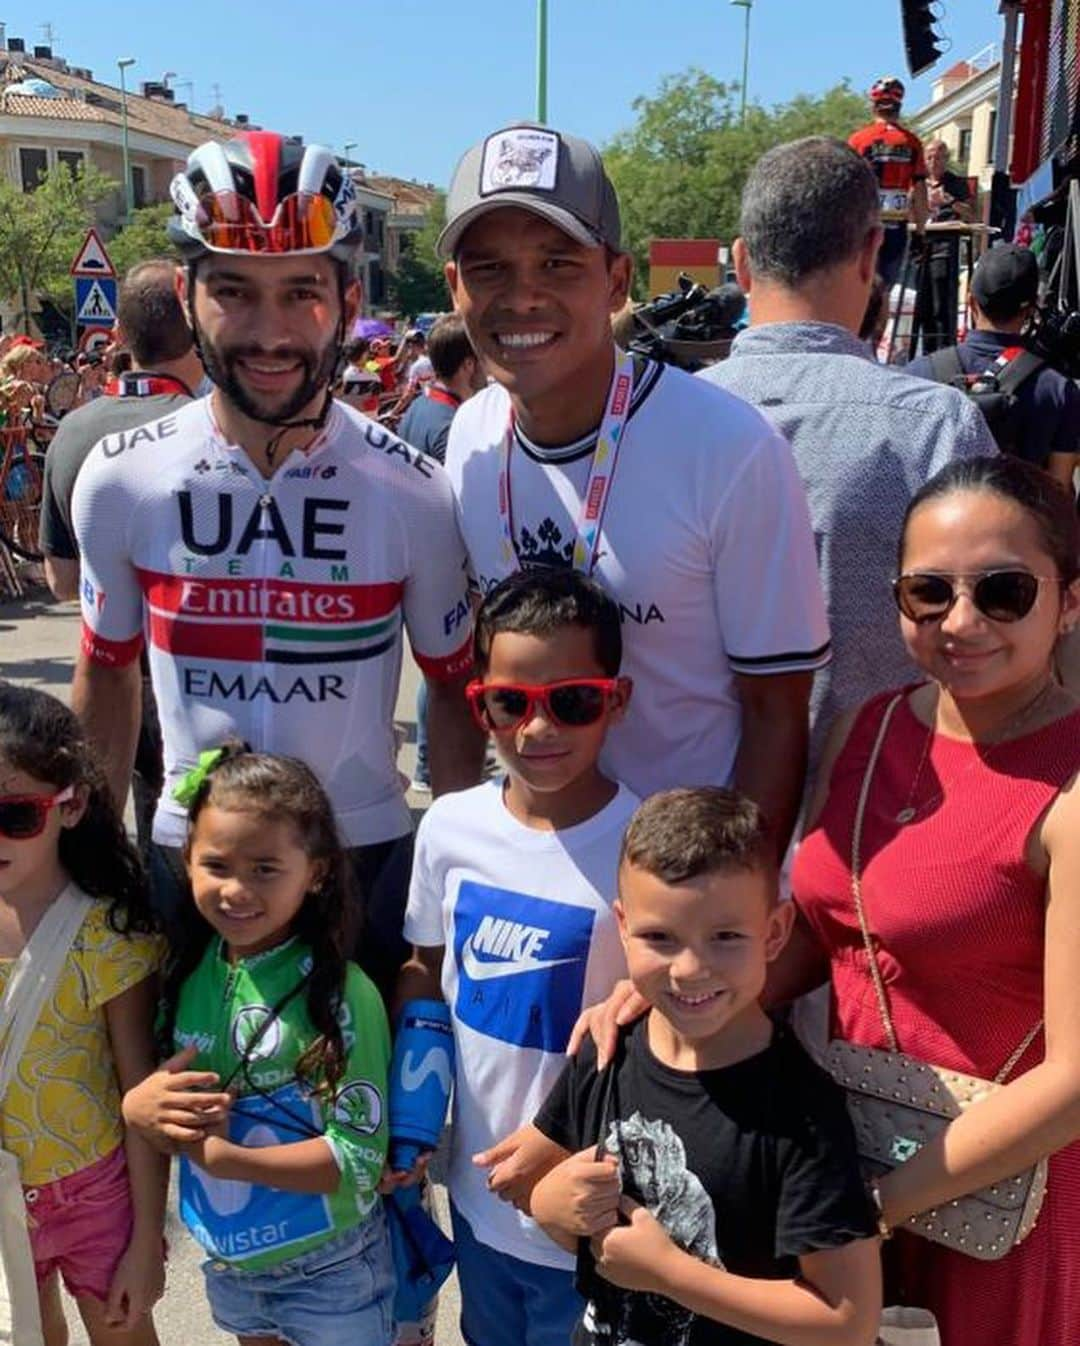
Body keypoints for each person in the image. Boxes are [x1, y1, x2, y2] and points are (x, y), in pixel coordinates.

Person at [70, 133, 482, 994]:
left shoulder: (417, 492)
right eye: (232, 291)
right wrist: (87, 867)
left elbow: (451, 692)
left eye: (301, 292)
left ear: (347, 297)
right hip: (192, 863)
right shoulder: (121, 479)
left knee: (358, 1128)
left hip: (360, 862)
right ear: (187, 295)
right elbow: (107, 677)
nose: (269, 332)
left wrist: (454, 886)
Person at [441, 121, 830, 855]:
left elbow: (778, 712)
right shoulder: (468, 439)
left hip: (682, 894)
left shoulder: (731, 448)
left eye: (557, 264)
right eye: (489, 269)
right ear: (454, 287)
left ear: (616, 280)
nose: (522, 297)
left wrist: (720, 915)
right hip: (536, 873)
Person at [784, 456, 1080, 1345]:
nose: (963, 621)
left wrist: (874, 1205)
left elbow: (1073, 1084)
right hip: (852, 1161)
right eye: (928, 591)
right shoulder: (863, 730)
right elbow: (831, 936)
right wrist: (675, 976)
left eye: (1003, 592)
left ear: (1069, 601)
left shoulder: (1070, 790)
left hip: (996, 1208)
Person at [526, 788, 881, 1346]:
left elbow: (847, 1321)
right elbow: (544, 1191)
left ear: (775, 933)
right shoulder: (607, 1049)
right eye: (659, 937)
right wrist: (547, 1206)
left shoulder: (800, 1113)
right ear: (623, 926)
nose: (690, 969)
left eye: (725, 937)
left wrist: (673, 1276)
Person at [394, 568, 640, 1346]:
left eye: (571, 701)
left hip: (593, 1210)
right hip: (475, 1196)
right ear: (480, 703)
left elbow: (670, 1023)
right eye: (511, 703)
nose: (537, 731)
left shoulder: (649, 844)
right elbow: (425, 973)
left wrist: (560, 1137)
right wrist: (404, 1109)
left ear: (616, 700)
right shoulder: (449, 828)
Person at [700, 137, 997, 768]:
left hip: (683, 835)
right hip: (876, 818)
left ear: (743, 263)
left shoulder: (656, 424)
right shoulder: (937, 429)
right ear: (870, 256)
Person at [122, 746, 394, 1346]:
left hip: (331, 1268)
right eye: (216, 864)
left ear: (316, 871)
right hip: (231, 1268)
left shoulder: (345, 994)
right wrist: (139, 1108)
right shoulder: (186, 976)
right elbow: (162, 1107)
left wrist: (231, 1161)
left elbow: (359, 1161)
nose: (237, 890)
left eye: (265, 868)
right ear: (187, 860)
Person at [0, 683, 165, 1346]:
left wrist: (146, 1240)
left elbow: (140, 1098)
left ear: (71, 807)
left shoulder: (109, 935)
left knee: (124, 1335)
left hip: (96, 1197)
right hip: (3, 1196)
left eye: (16, 815)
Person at [40, 258, 204, 601]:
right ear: (200, 333)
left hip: (104, 646)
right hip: (193, 648)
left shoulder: (71, 430)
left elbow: (62, 582)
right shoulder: (215, 433)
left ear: (119, 335)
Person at [398, 312, 487, 795]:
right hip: (445, 564)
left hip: (416, 556)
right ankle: (433, 766)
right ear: (469, 364)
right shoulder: (452, 424)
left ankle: (429, 764)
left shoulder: (419, 409)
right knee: (449, 673)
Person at [908, 243, 1080, 488]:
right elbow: (1060, 491)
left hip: (935, 522)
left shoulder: (919, 375)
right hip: (1023, 524)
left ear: (971, 302)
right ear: (1030, 310)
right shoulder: (1059, 391)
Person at [849, 77, 928, 290]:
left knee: (861, 287)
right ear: (898, 107)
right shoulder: (912, 143)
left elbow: (847, 187)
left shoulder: (858, 140)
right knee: (884, 289)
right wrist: (921, 232)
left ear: (874, 107)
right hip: (896, 227)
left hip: (865, 225)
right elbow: (920, 191)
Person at [397, 314, 484, 467]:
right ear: (469, 364)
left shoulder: (418, 405)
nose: (489, 370)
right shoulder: (452, 427)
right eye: (485, 359)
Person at [914, 139, 974, 353]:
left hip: (944, 248)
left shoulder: (955, 183)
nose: (933, 161)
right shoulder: (918, 183)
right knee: (922, 308)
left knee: (942, 307)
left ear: (946, 159)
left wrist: (948, 200)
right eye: (929, 157)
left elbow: (971, 213)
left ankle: (945, 354)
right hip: (920, 249)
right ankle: (926, 355)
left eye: (938, 157)